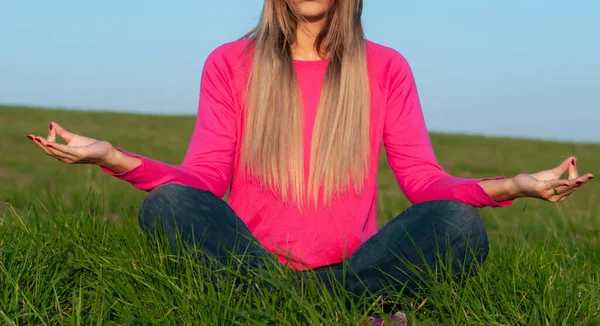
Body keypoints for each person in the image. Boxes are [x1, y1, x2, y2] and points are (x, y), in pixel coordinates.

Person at [27, 0, 593, 301]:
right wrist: (113, 158)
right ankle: (320, 305)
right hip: (247, 263)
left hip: (355, 266)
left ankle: (290, 303)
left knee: (457, 227)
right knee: (168, 206)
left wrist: (513, 186)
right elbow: (202, 179)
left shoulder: (386, 68)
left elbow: (424, 182)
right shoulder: (230, 64)